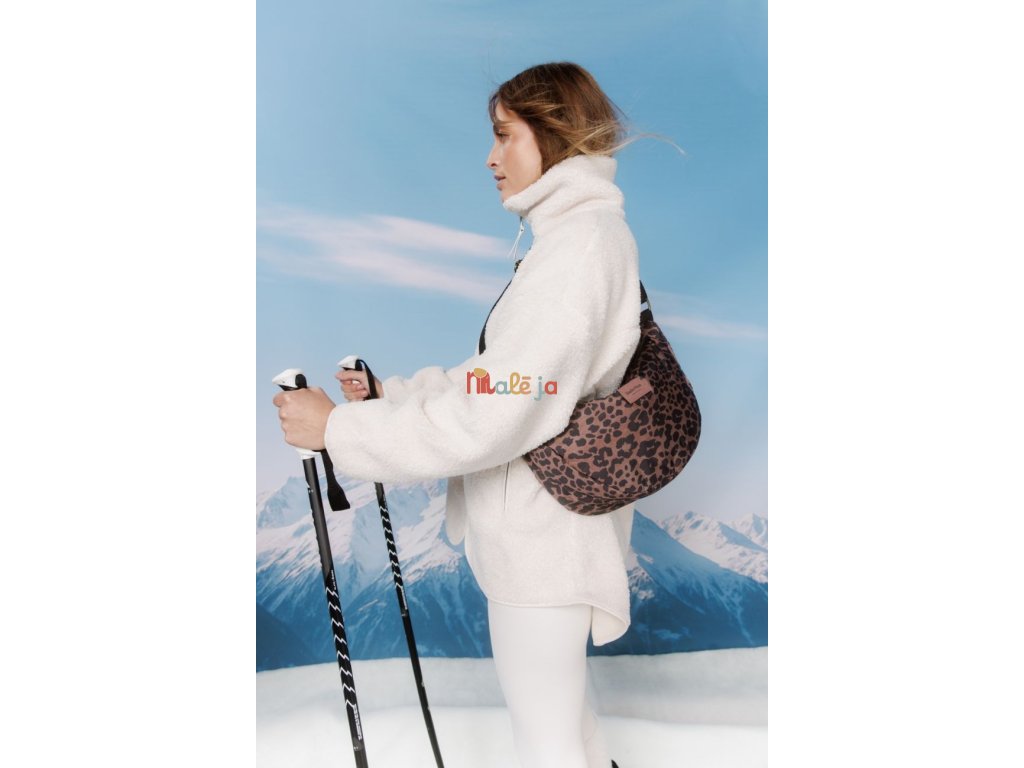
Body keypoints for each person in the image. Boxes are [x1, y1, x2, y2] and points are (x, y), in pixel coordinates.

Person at [273, 61, 640, 768]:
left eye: (505, 135)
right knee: (570, 735)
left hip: (544, 546)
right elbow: (507, 382)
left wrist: (338, 432)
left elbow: (498, 412)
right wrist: (393, 398)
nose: (490, 157)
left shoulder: (578, 252)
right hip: (549, 536)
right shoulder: (576, 241)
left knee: (549, 746)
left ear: (553, 135)